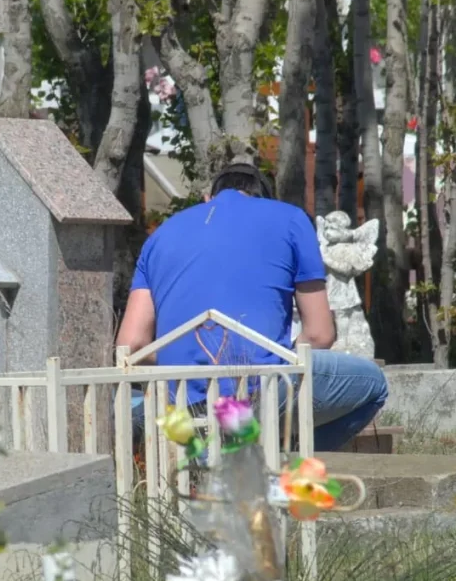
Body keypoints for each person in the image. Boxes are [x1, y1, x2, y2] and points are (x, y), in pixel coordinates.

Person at [116, 162, 388, 451]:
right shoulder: (290, 219)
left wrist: (190, 363)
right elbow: (320, 335)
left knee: (134, 406)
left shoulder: (159, 235)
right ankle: (278, 462)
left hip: (178, 402)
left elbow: (131, 345)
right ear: (264, 199)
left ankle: (216, 458)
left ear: (209, 198)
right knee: (374, 385)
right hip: (257, 392)